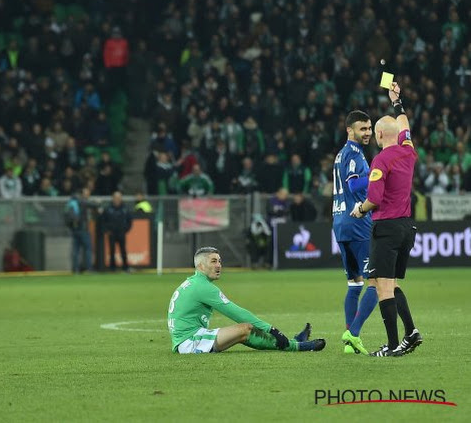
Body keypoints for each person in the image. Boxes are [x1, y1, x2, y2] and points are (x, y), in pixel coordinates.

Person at [350, 83, 422, 357]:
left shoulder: (381, 161)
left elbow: (375, 199)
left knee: (381, 286)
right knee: (392, 283)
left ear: (379, 134)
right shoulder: (408, 151)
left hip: (387, 227)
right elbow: (404, 124)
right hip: (406, 227)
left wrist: (360, 210)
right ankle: (411, 332)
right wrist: (397, 102)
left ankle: (392, 346)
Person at [167, 247, 326, 354]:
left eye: (220, 261)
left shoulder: (195, 283)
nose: (219, 265)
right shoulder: (202, 287)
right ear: (201, 266)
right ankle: (295, 346)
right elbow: (235, 312)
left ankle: (293, 342)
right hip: (189, 343)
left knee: (245, 330)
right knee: (245, 329)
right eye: (213, 261)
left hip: (189, 338)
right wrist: (271, 329)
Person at [333, 110, 379, 355]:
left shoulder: (341, 155)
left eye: (369, 128)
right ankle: (353, 333)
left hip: (340, 224)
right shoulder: (353, 154)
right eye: (362, 129)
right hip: (357, 223)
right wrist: (377, 176)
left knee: (354, 284)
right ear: (349, 130)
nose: (368, 133)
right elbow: (353, 184)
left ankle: (349, 345)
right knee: (377, 281)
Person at [64, 187, 96, 273]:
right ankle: (89, 268)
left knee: (75, 251)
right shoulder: (82, 201)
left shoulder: (71, 202)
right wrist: (98, 202)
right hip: (83, 229)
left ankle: (75, 269)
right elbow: (94, 205)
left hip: (74, 230)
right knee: (88, 249)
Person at [101, 191, 133, 272]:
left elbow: (130, 220)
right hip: (111, 233)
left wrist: (126, 229)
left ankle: (125, 267)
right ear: (113, 198)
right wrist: (106, 230)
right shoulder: (108, 208)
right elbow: (103, 220)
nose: (117, 199)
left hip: (121, 232)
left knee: (123, 250)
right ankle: (112, 268)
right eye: (115, 197)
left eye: (119, 197)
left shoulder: (125, 208)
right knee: (112, 250)